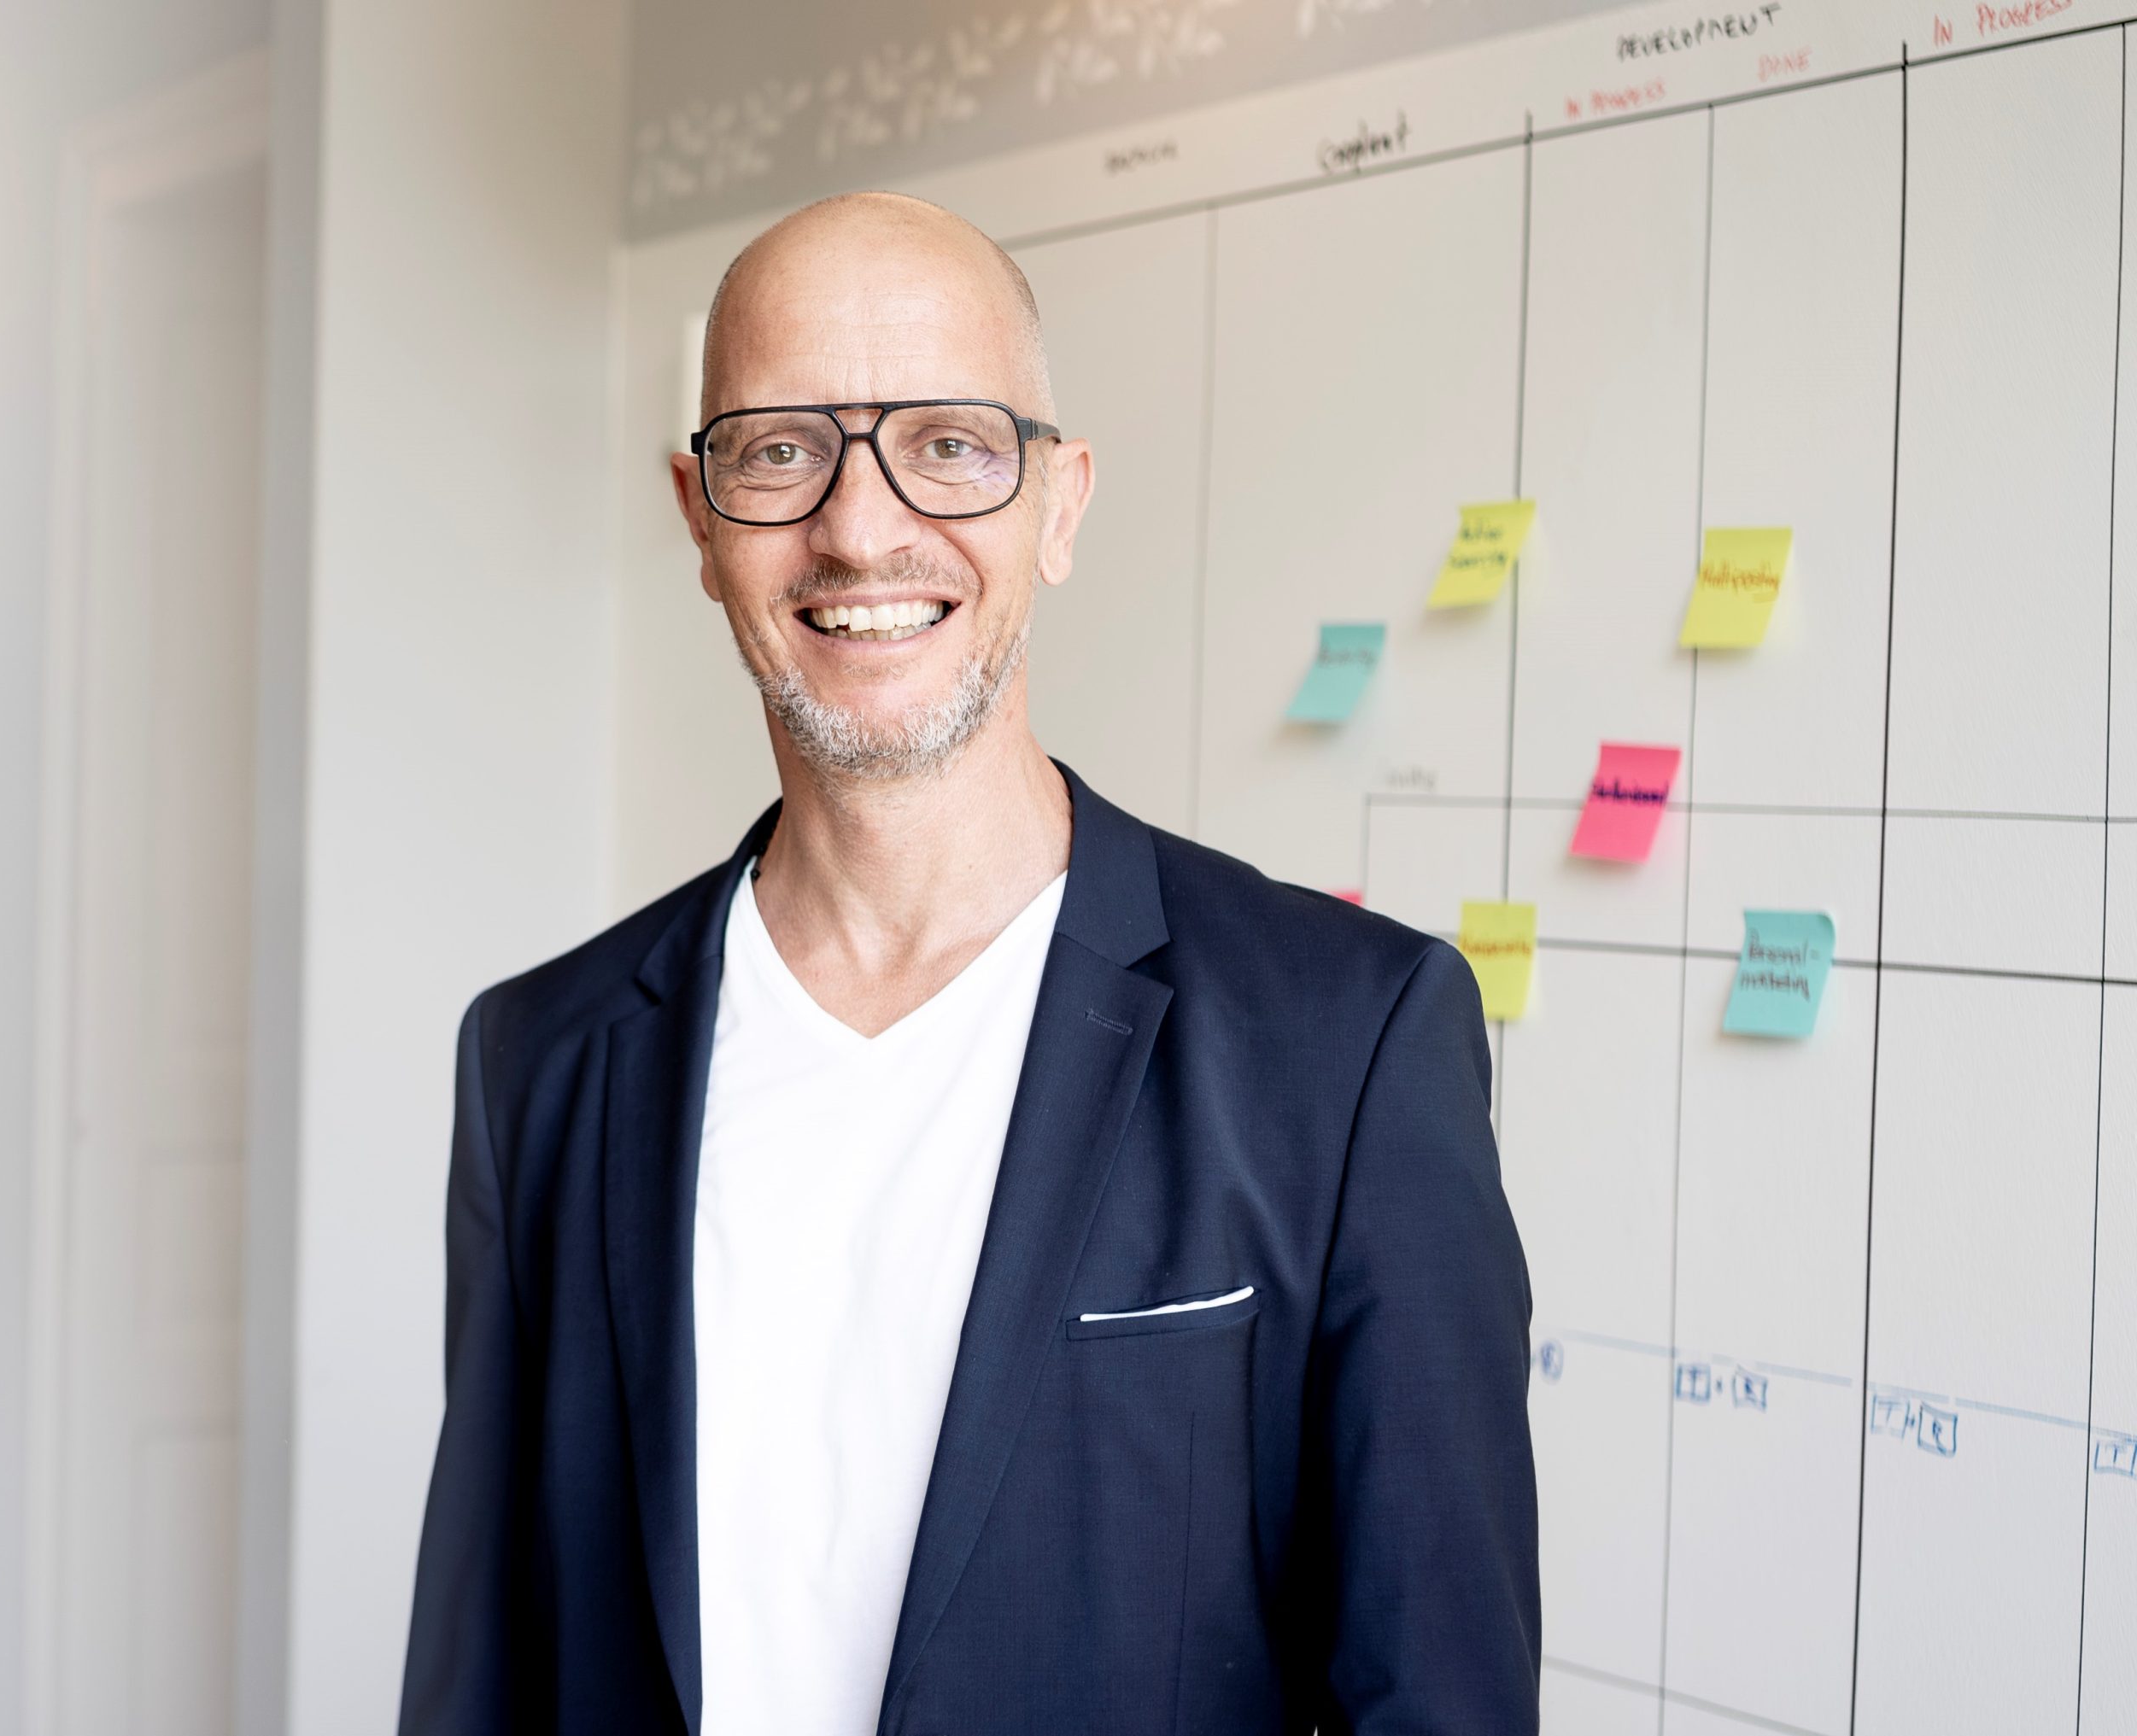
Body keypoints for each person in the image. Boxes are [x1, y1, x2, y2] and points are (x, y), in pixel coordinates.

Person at [399, 190, 1537, 1735]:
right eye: (780, 451)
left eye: (947, 443)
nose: (860, 528)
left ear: (1060, 506)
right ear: (700, 520)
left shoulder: (1348, 1045)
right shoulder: (538, 1061)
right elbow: (477, 1688)